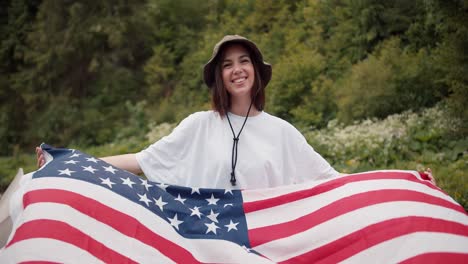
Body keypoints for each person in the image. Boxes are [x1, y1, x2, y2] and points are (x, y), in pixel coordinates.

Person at [37, 35, 434, 189]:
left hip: (263, 244)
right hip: (206, 245)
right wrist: (67, 161)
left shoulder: (282, 132)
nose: (237, 69)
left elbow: (334, 180)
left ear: (256, 73)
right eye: (227, 64)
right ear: (219, 77)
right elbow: (140, 162)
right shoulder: (198, 125)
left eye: (244, 61)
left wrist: (404, 179)